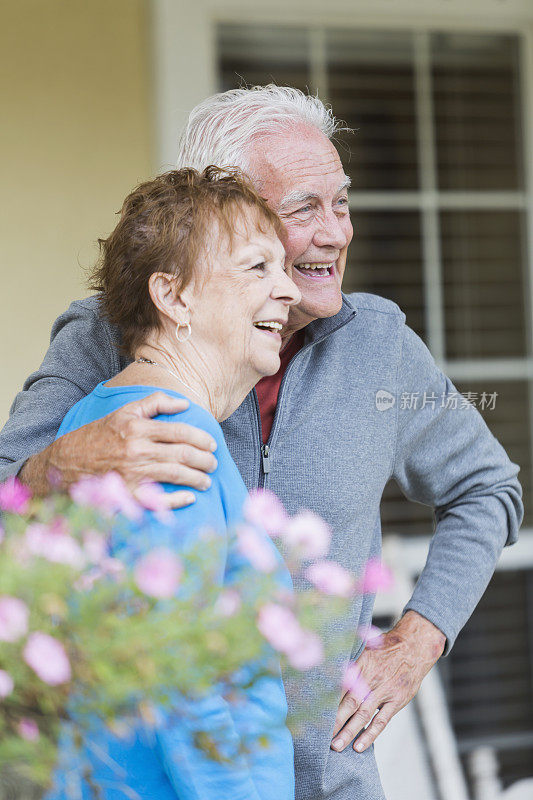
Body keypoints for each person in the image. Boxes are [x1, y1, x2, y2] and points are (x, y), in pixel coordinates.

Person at [0, 86, 523, 800]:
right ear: (224, 219)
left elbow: (487, 488)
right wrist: (59, 466)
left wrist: (418, 636)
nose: (336, 233)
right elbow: (10, 500)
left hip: (329, 779)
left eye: (341, 203)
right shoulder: (109, 338)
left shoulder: (378, 348)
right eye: (303, 208)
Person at [45, 165, 301, 799]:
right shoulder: (168, 434)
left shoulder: (93, 422)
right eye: (256, 267)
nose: (288, 290)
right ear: (175, 296)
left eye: (284, 267)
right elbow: (176, 673)